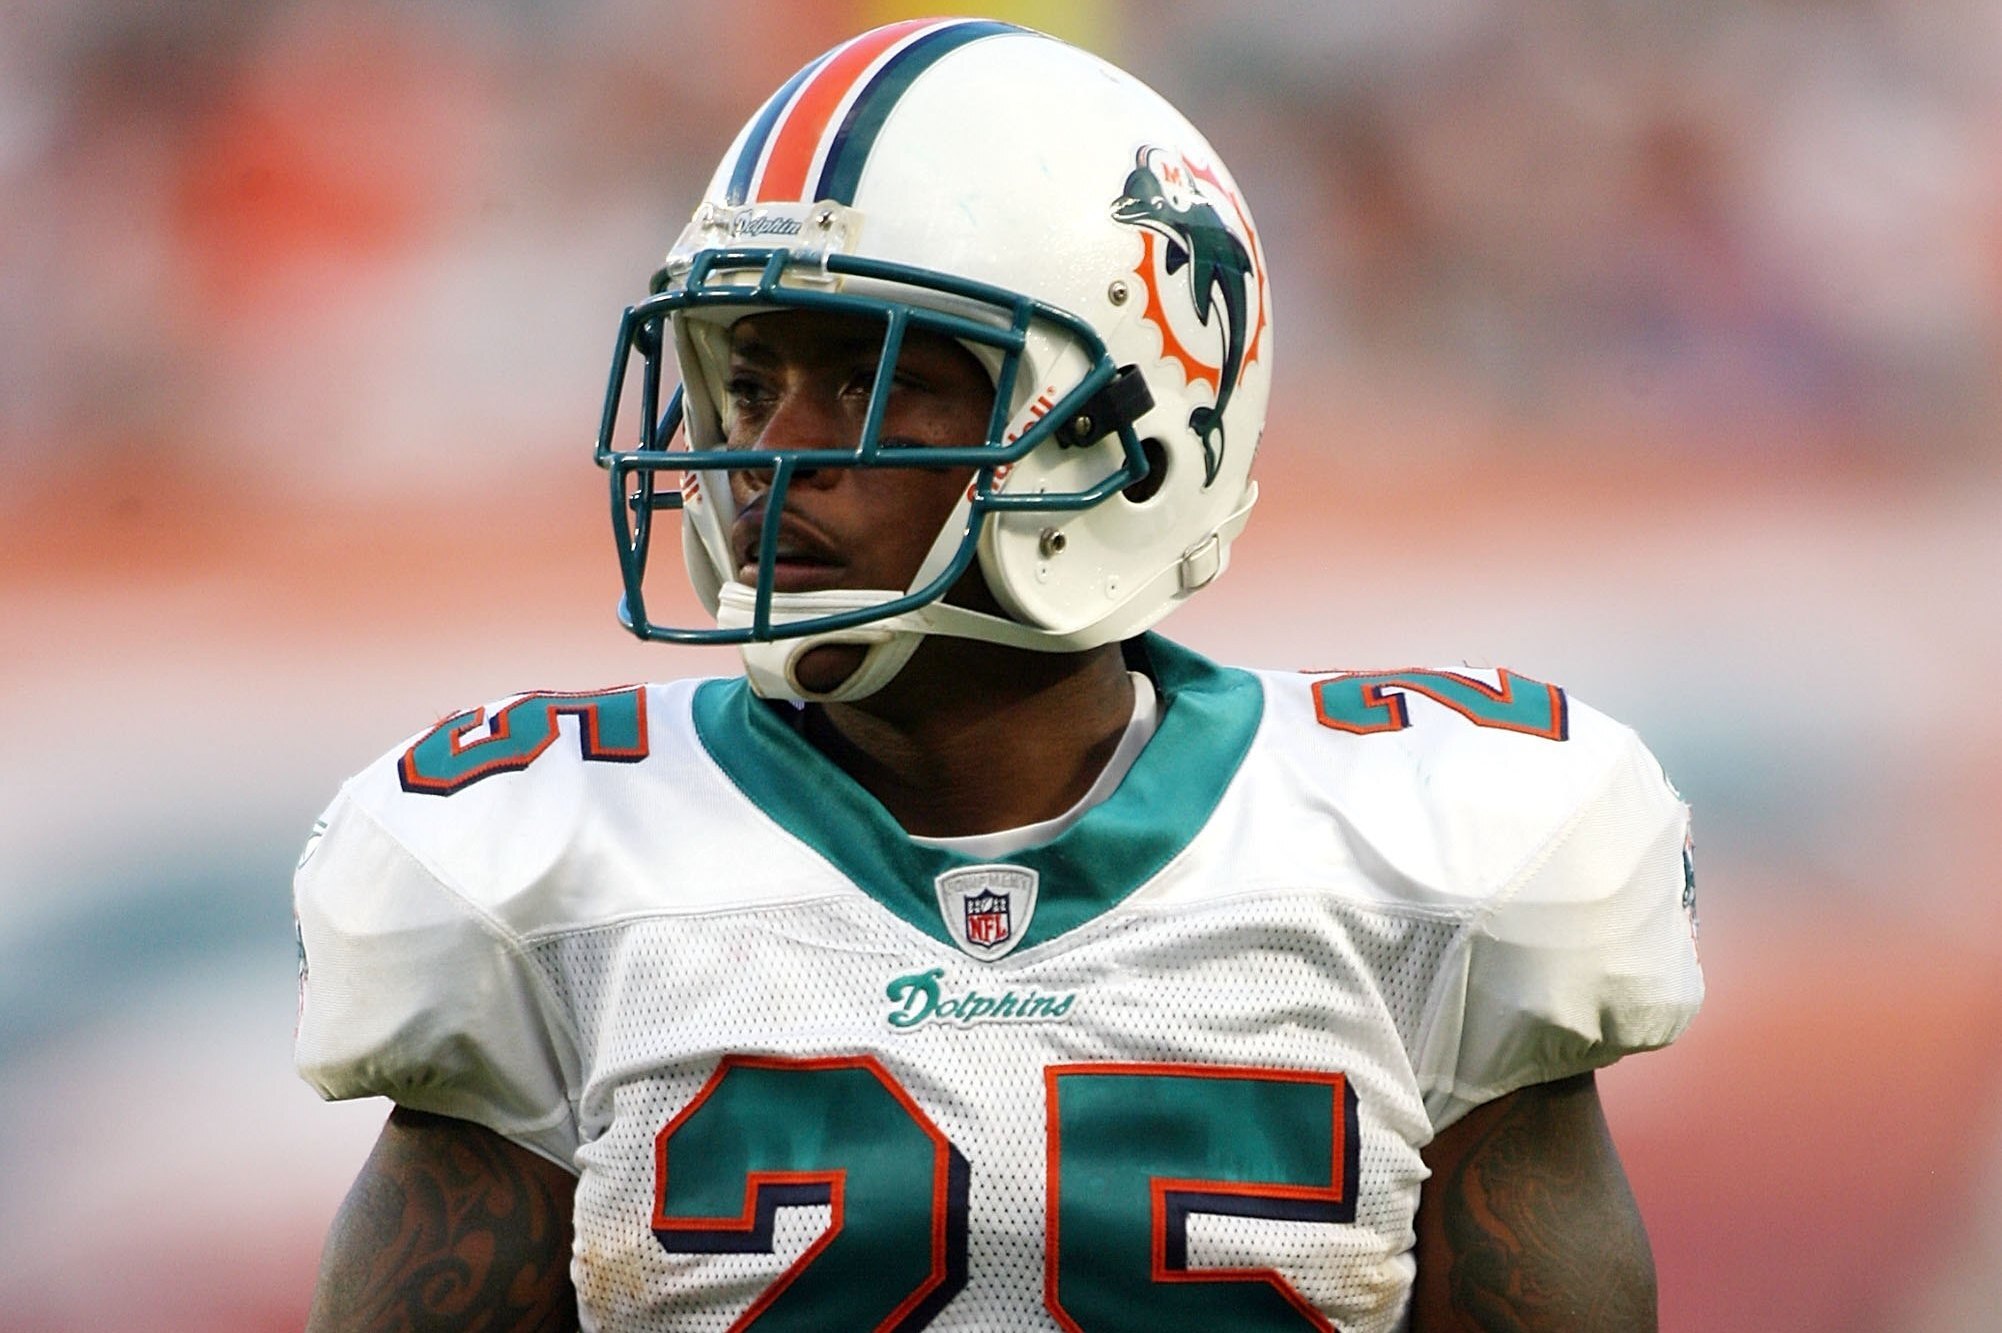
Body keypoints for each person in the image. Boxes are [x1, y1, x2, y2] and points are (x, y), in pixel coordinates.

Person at [294, 18, 1703, 1331]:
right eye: (747, 379)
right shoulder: (540, 858)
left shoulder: (1425, 855)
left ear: (1115, 428)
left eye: (866, 380)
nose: (768, 457)